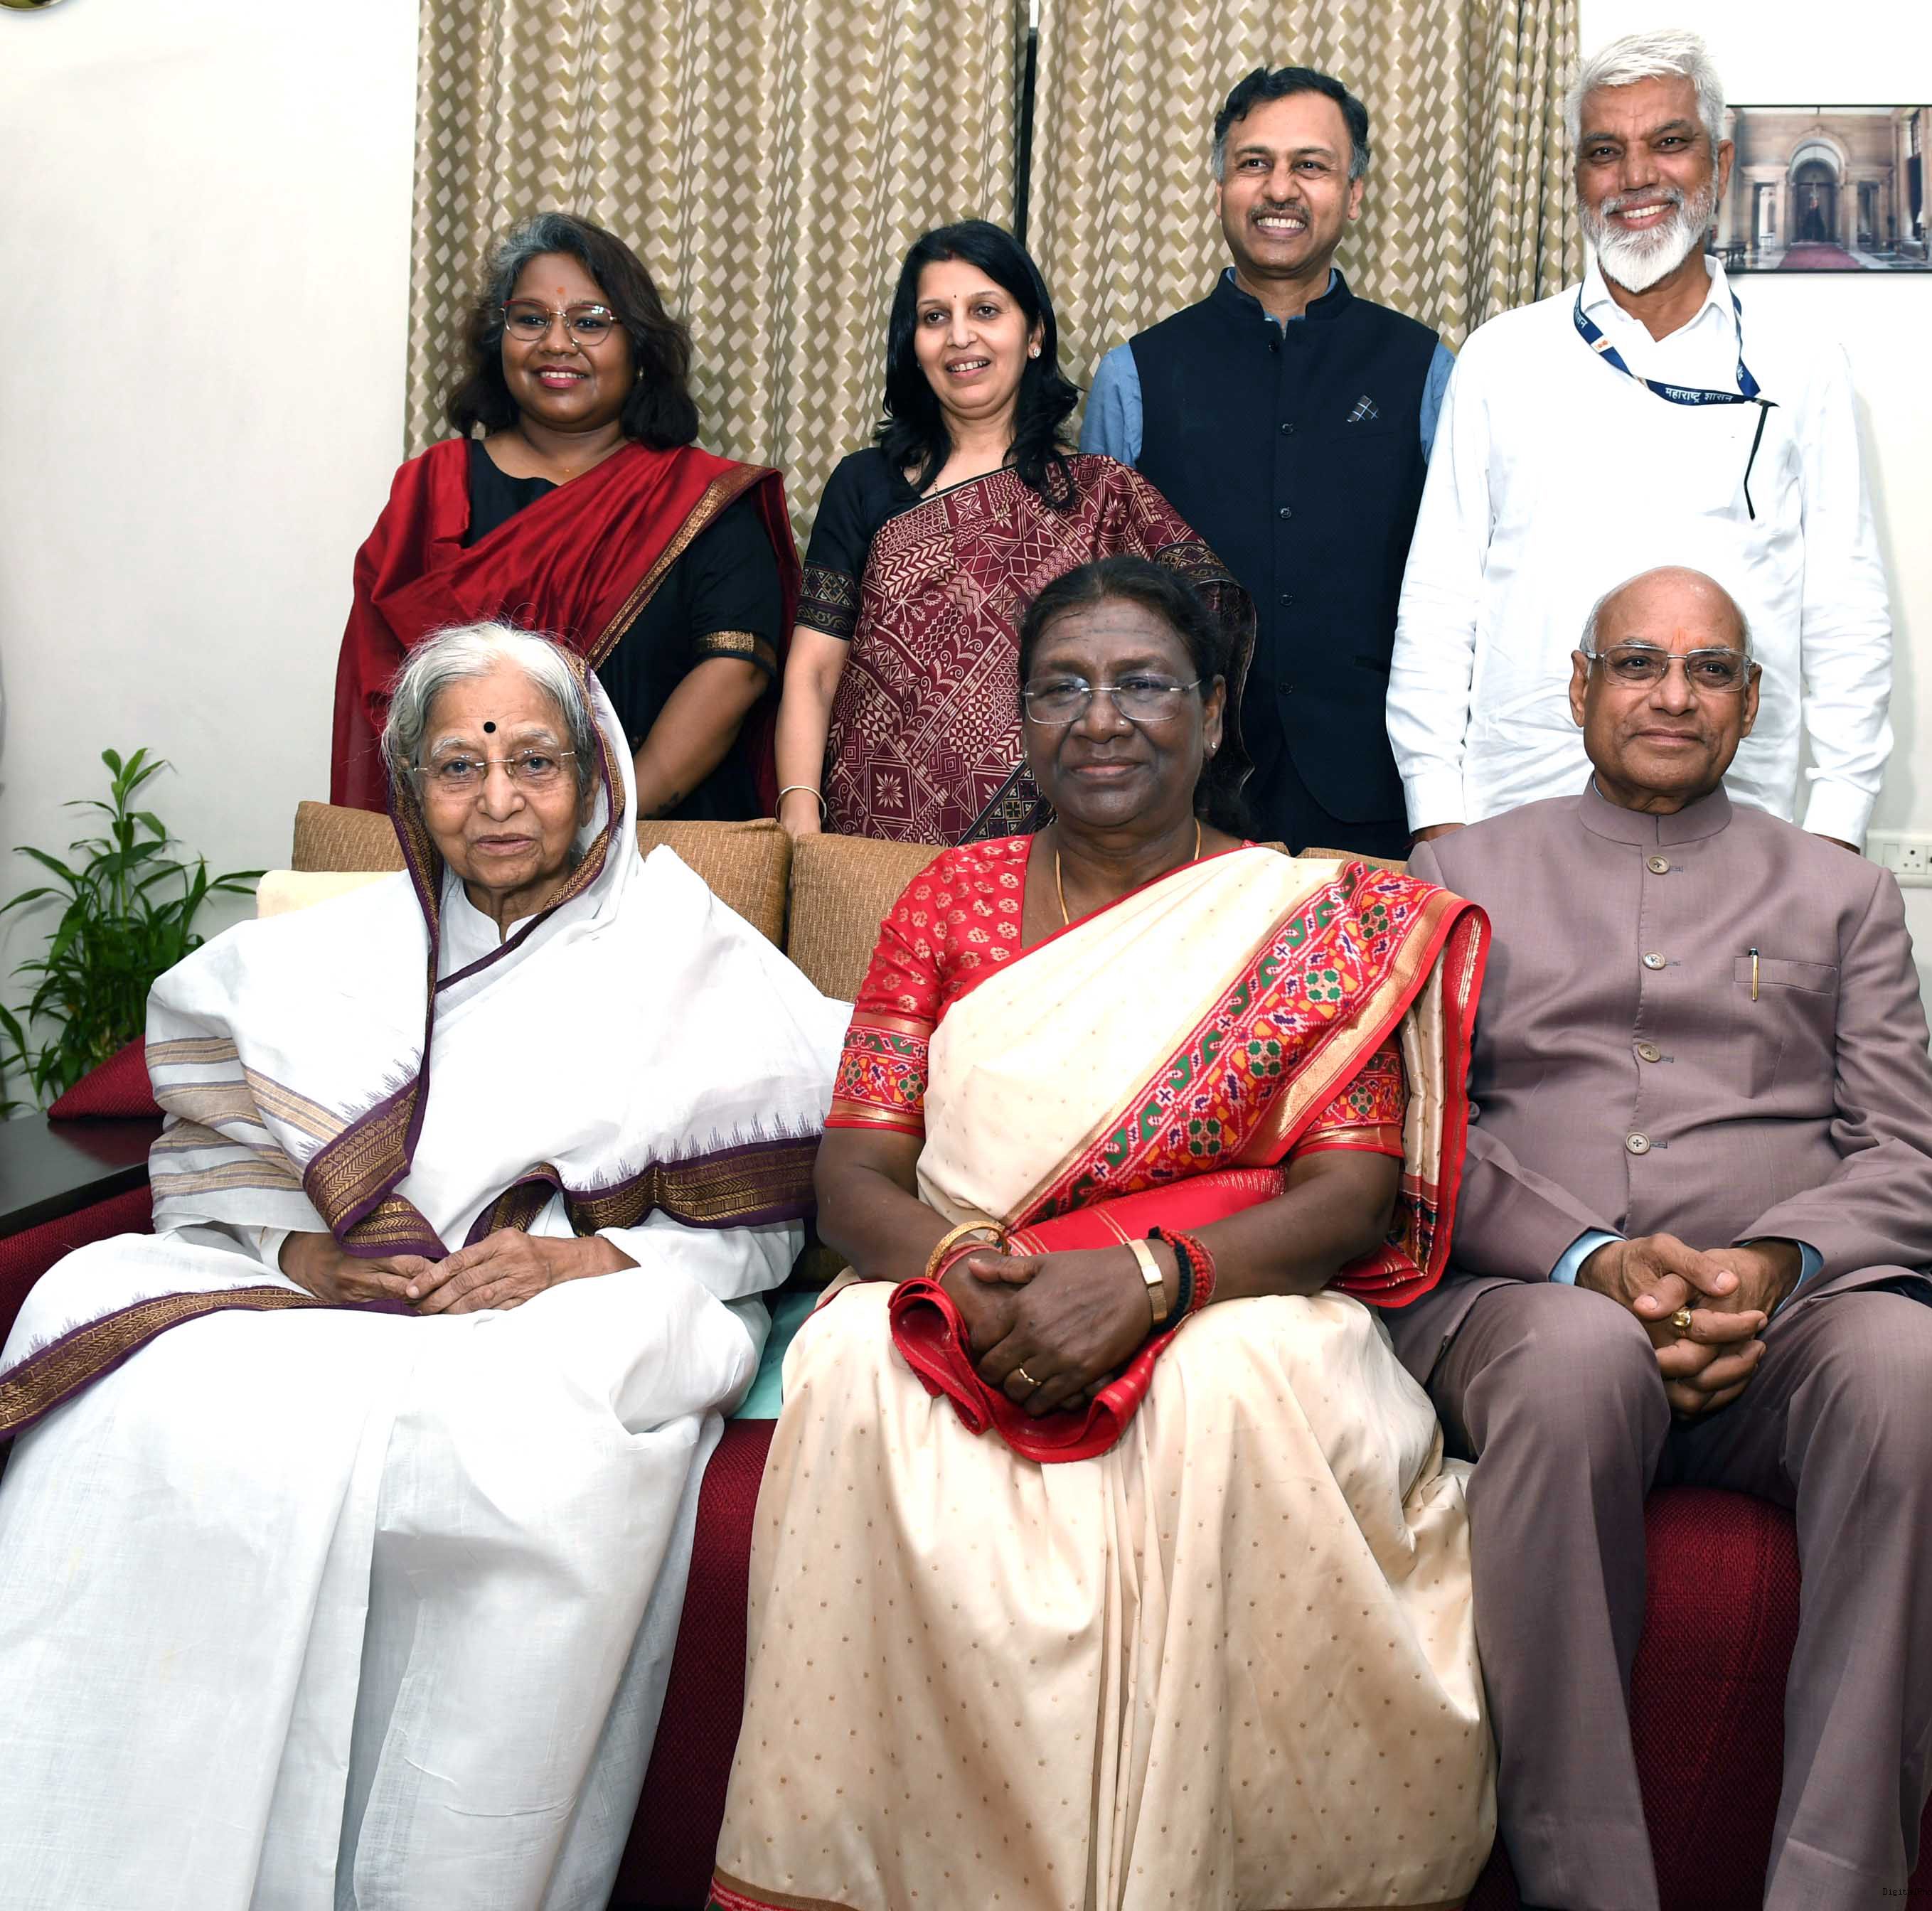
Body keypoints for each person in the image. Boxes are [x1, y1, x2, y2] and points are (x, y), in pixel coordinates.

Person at [0, 626, 847, 1908]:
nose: (498, 801)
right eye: (459, 766)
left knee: (527, 1431)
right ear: (411, 786)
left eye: (533, 763)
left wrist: (572, 1264)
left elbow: (765, 1213)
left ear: (595, 773)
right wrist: (305, 1252)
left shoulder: (688, 950)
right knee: (110, 1352)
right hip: (336, 1298)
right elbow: (209, 1158)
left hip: (565, 1303)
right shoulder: (333, 957)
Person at [714, 555, 1494, 1911]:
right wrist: (964, 1272)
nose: (1101, 719)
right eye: (1061, 687)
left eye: (1143, 684)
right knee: (854, 1363)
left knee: (1241, 1384)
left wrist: (1150, 1279)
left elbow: (1348, 1194)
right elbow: (855, 1177)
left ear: (1213, 708)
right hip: (974, 1270)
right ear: (1020, 716)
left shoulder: (1308, 918)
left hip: (1226, 1290)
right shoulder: (946, 900)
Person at [1399, 565, 1932, 1911]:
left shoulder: (1841, 895)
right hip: (1535, 1307)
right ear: (1578, 687)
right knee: (1575, 1361)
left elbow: (1912, 1157)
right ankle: (1585, 1887)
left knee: (1921, 1380)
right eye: (1637, 663)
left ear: (1751, 703)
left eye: (1709, 670)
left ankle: (1837, 1890)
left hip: (1788, 1322)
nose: (1673, 695)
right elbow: (1418, 1140)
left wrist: (1774, 1266)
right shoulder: (1458, 875)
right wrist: (1590, 1262)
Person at [1389, 30, 1893, 852]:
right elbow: (1440, 604)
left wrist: (1838, 822)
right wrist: (1437, 811)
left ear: (1719, 164)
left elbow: (1844, 610)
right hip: (1522, 808)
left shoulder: (1803, 366)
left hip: (1741, 817)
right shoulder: (1501, 358)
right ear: (1577, 177)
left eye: (1668, 143)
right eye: (1604, 151)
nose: (1635, 177)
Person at [774, 220, 1247, 845]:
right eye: (935, 317)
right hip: (867, 841)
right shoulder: (865, 484)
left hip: (1054, 847)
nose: (959, 336)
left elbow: (1202, 622)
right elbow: (814, 671)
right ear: (913, 344)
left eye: (986, 310)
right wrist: (800, 818)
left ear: (1034, 335)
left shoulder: (1098, 496)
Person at [1082, 66, 1451, 859]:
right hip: (1179, 797)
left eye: (1310, 165)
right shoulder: (1135, 374)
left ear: (1354, 194)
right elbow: (1100, 607)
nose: (1280, 189)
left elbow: (1456, 591)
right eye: (1255, 163)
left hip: (1374, 787)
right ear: (1221, 186)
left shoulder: (1425, 368)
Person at [331, 213, 799, 822]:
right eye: (531, 319)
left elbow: (735, 674)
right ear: (497, 341)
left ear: (639, 348)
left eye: (590, 322)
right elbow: (386, 688)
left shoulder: (701, 500)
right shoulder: (433, 489)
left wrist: (596, 820)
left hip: (654, 841)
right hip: (466, 836)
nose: (556, 343)